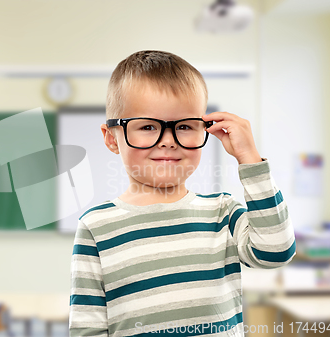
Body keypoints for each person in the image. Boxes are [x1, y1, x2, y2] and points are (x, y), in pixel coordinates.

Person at [69, 50, 295, 337]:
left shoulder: (222, 212)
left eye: (184, 127)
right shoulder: (95, 226)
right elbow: (87, 327)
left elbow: (276, 252)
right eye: (148, 126)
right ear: (111, 138)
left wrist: (249, 158)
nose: (167, 141)